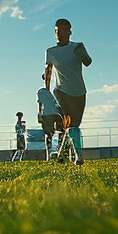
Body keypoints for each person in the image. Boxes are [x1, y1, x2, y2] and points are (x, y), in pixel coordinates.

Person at [44, 18, 92, 164]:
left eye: (63, 30)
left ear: (70, 32)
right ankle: (78, 156)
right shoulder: (51, 52)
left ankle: (61, 155)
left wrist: (81, 54)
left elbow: (88, 62)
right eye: (57, 31)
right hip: (61, 91)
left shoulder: (78, 46)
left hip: (79, 91)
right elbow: (48, 71)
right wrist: (46, 90)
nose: (60, 34)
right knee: (70, 122)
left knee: (74, 126)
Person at [36, 83, 63, 160]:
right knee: (58, 132)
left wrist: (39, 114)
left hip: (47, 115)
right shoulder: (53, 94)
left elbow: (40, 104)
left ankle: (50, 151)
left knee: (48, 134)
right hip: (56, 114)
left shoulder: (41, 92)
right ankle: (59, 150)